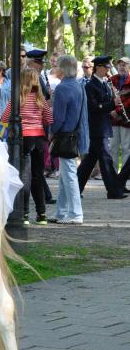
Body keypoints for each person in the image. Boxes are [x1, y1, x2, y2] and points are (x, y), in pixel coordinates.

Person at [1, 66, 53, 225]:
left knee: (23, 176)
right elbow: (49, 118)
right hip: (39, 139)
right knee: (38, 175)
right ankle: (42, 213)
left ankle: (24, 213)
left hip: (24, 139)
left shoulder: (18, 99)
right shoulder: (40, 99)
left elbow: (4, 117)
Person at [77, 55, 127, 200]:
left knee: (90, 161)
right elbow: (94, 107)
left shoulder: (105, 83)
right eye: (106, 67)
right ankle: (113, 191)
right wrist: (113, 104)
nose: (108, 70)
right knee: (106, 158)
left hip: (103, 126)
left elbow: (104, 105)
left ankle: (74, 188)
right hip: (96, 128)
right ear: (98, 67)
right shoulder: (90, 85)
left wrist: (114, 109)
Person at [49, 55, 89, 224]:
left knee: (69, 176)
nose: (55, 69)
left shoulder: (62, 88)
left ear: (63, 69)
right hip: (76, 135)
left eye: (57, 66)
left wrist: (51, 132)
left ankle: (75, 213)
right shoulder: (78, 86)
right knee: (66, 175)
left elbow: (58, 117)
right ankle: (62, 212)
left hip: (65, 135)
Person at [109, 56, 130, 170]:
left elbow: (128, 101)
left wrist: (118, 112)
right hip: (113, 120)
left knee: (127, 147)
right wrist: (111, 111)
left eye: (124, 64)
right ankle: (113, 172)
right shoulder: (111, 80)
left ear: (129, 66)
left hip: (127, 120)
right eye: (120, 64)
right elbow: (107, 98)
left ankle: (125, 174)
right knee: (113, 147)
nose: (121, 67)